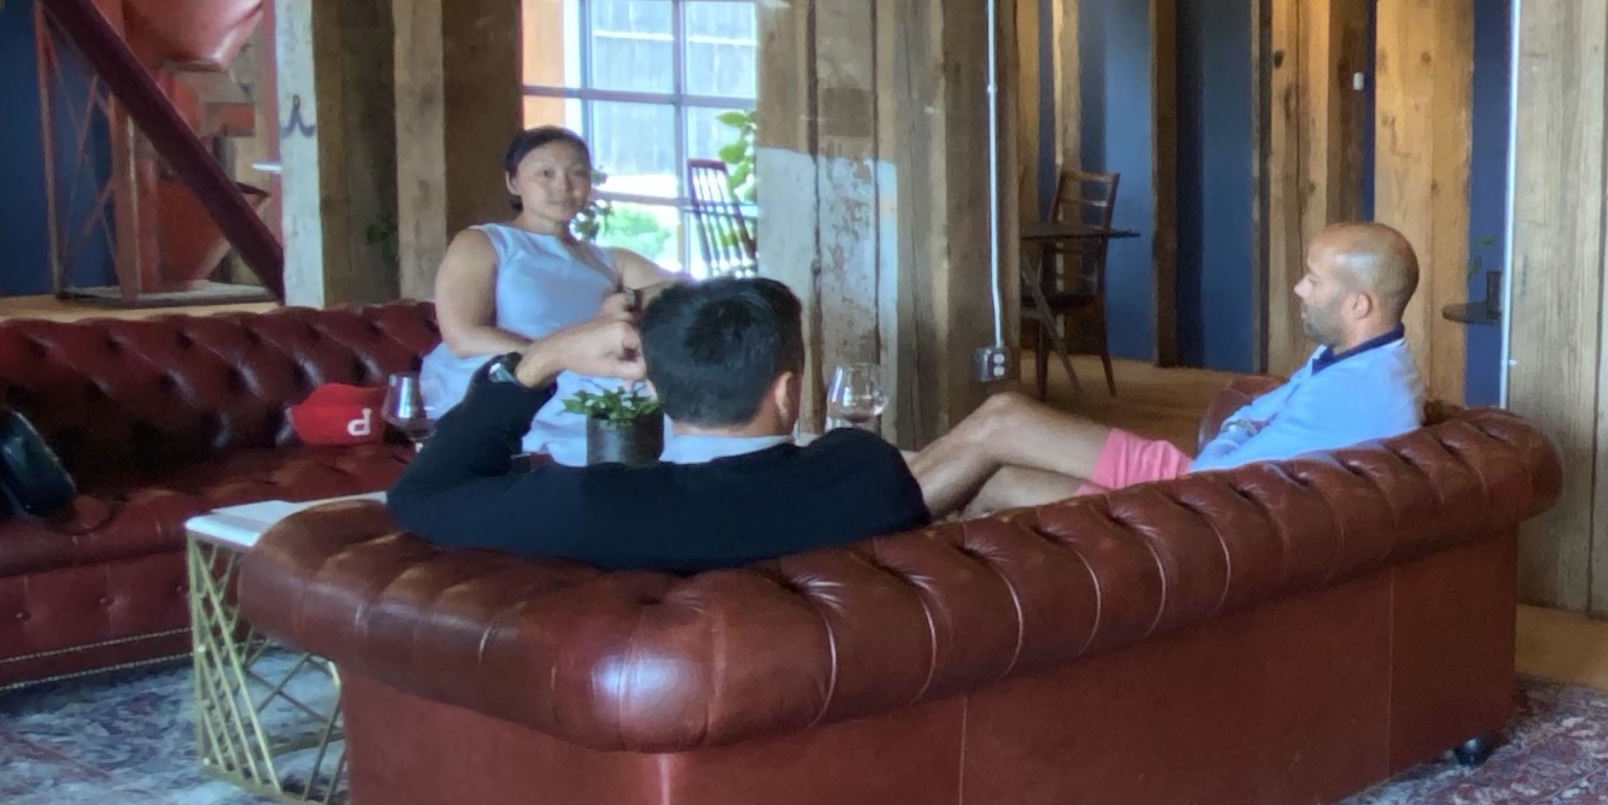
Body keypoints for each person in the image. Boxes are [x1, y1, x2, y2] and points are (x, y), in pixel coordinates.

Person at [389, 274, 928, 572]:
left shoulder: (590, 506)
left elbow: (422, 494)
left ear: (650, 386)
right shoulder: (865, 472)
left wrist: (540, 360)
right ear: (787, 392)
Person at [910, 220, 1423, 520]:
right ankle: (880, 506)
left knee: (997, 462)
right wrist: (1239, 430)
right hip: (1189, 478)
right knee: (1001, 420)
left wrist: (1235, 432)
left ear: (1358, 304)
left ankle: (869, 531)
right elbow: (1251, 423)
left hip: (1184, 506)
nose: (1298, 289)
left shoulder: (1358, 393)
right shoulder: (1363, 356)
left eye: (1313, 280)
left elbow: (1218, 479)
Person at [419, 128, 682, 465]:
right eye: (546, 173)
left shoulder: (608, 259)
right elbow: (463, 337)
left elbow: (684, 287)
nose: (563, 186)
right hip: (510, 371)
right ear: (513, 182)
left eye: (578, 173)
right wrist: (562, 356)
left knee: (683, 415)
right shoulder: (485, 242)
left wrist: (628, 296)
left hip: (590, 372)